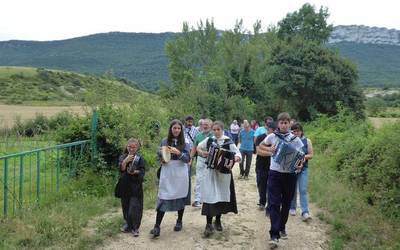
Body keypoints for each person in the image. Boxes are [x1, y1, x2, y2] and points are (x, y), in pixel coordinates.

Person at [261, 112, 304, 248]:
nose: (284, 125)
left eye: (286, 122)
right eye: (281, 122)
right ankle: (274, 234)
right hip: (275, 174)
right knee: (274, 203)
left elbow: (300, 157)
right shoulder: (272, 136)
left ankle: (281, 226)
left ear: (289, 123)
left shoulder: (295, 139)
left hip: (290, 175)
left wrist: (299, 164)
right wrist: (270, 151)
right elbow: (260, 146)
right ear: (278, 124)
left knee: (286, 203)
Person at [196, 121, 241, 237]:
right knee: (209, 197)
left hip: (223, 175)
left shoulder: (228, 141)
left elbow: (238, 154)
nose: (216, 132)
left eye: (218, 130)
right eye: (214, 130)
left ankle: (218, 220)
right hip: (210, 173)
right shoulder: (210, 140)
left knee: (220, 197)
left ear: (222, 129)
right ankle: (208, 224)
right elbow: (198, 147)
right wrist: (203, 153)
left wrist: (234, 158)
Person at [150, 120, 191, 238]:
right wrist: (162, 159)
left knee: (180, 197)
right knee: (163, 196)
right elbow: (159, 154)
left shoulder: (185, 143)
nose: (176, 130)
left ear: (181, 130)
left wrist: (179, 153)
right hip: (167, 171)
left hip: (180, 172)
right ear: (171, 129)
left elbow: (187, 159)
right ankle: (157, 226)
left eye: (179, 128)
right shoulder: (164, 141)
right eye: (174, 128)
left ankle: (179, 221)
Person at [117, 138, 145, 237]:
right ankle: (128, 224)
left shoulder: (140, 158)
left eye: (134, 147)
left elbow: (142, 172)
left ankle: (135, 227)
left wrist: (135, 172)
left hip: (135, 186)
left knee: (135, 207)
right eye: (130, 147)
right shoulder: (122, 157)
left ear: (137, 148)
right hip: (125, 185)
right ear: (127, 147)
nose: (132, 149)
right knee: (125, 206)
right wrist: (125, 161)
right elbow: (121, 169)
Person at [289, 122, 314, 221]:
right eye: (294, 131)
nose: (296, 133)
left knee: (303, 189)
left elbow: (311, 155)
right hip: (292, 168)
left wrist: (303, 157)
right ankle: (292, 207)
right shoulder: (290, 141)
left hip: (303, 169)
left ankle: (305, 211)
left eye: (297, 131)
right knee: (293, 189)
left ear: (301, 131)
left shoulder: (307, 141)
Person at [191, 118, 213, 208]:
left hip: (211, 160)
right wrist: (190, 158)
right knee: (199, 178)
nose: (205, 125)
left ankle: (208, 199)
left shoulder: (214, 136)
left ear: (211, 125)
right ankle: (197, 200)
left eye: (207, 124)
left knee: (209, 179)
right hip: (200, 159)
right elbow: (194, 147)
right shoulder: (198, 135)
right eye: (203, 124)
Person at [255, 122, 276, 211]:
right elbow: (258, 151)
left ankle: (270, 204)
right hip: (261, 165)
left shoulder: (276, 138)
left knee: (271, 186)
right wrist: (271, 153)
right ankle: (262, 202)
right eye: (273, 130)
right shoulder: (260, 137)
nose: (274, 132)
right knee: (261, 185)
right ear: (269, 129)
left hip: (272, 166)